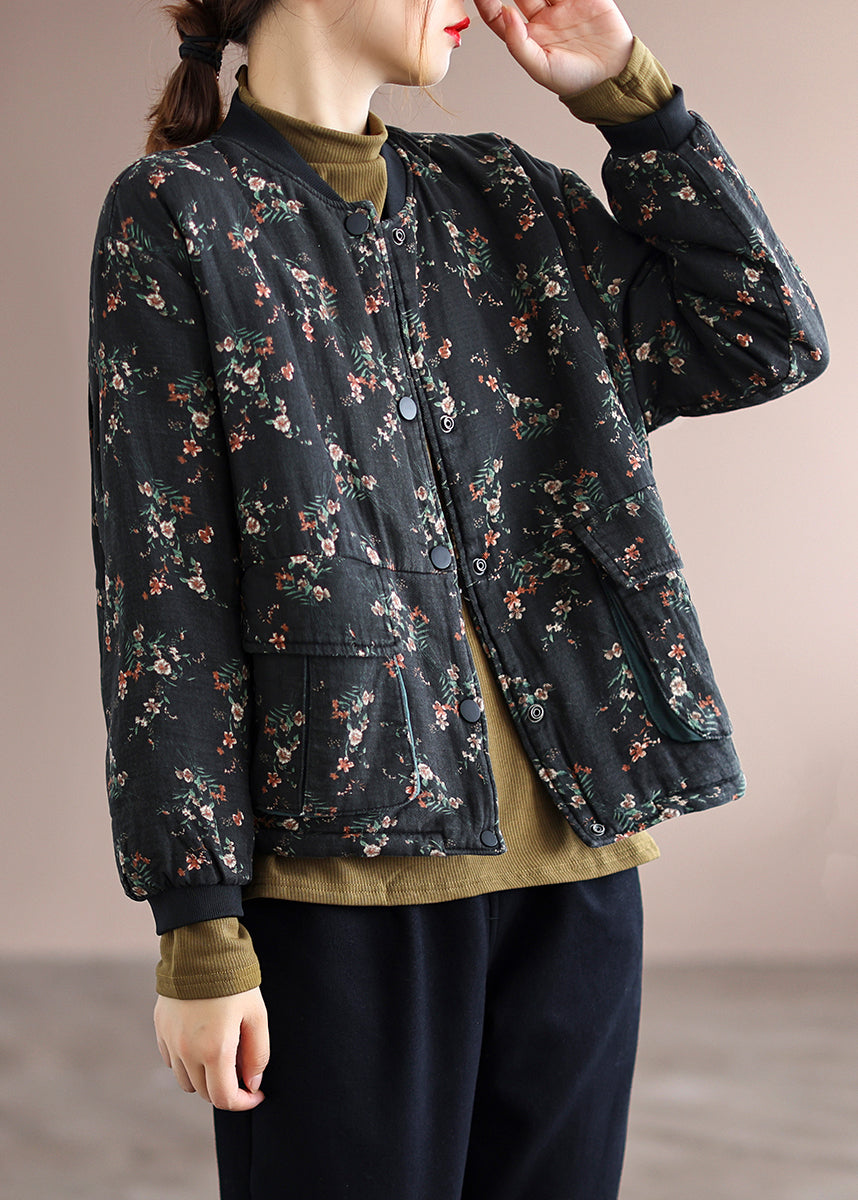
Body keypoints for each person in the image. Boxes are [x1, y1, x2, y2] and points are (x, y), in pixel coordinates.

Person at [87, 1, 828, 1197]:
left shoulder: (507, 199)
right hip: (341, 890)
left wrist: (626, 94)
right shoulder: (181, 212)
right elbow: (163, 586)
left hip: (580, 870)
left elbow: (763, 334)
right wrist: (201, 927)